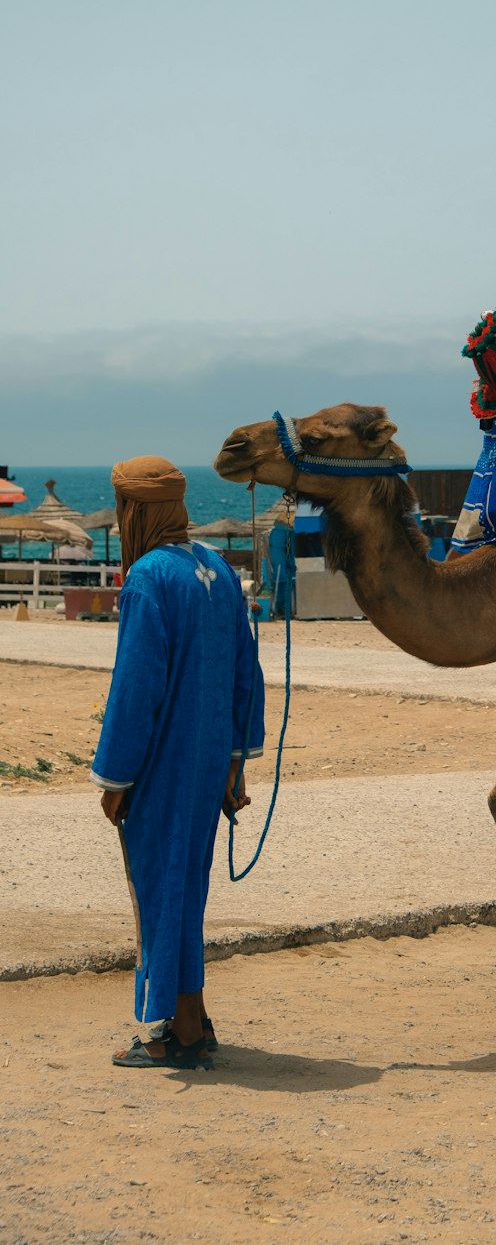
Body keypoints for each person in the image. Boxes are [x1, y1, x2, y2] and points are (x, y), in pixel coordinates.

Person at [91, 456, 264, 1071]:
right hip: (208, 764)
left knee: (164, 891)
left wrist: (115, 777)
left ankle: (182, 1032)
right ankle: (195, 1014)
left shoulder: (147, 578)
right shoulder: (215, 567)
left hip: (162, 770)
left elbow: (136, 688)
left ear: (134, 512)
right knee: (186, 889)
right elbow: (247, 672)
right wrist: (234, 764)